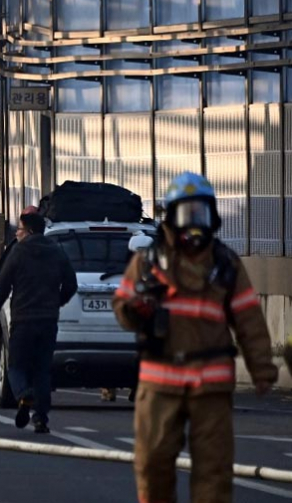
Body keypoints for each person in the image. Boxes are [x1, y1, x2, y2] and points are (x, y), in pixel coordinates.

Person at [114, 172, 277, 503]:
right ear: (170, 218)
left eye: (200, 214)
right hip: (159, 385)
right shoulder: (148, 263)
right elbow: (122, 307)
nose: (194, 225)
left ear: (212, 216)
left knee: (213, 472)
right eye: (186, 215)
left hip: (210, 387)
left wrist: (263, 370)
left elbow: (249, 319)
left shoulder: (225, 265)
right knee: (152, 465)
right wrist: (137, 309)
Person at [0, 208, 76, 433]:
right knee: (42, 370)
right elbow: (71, 285)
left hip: (23, 318)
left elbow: (2, 286)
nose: (17, 233)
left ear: (29, 231)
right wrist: (57, 302)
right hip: (48, 320)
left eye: (19, 229)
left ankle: (23, 395)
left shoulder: (18, 252)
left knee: (16, 366)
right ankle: (41, 418)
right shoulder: (57, 252)